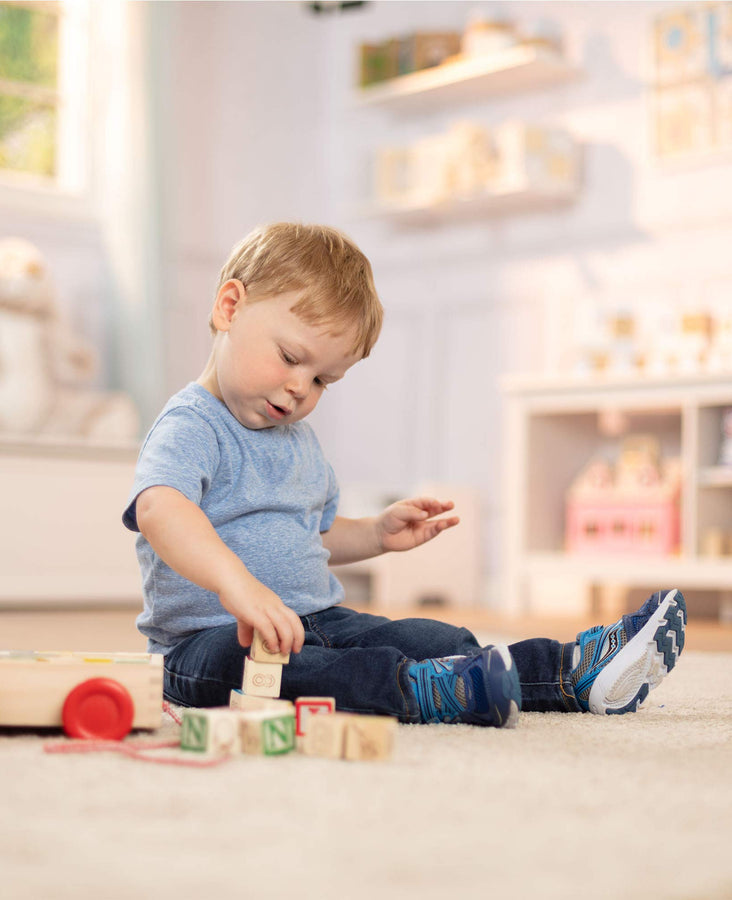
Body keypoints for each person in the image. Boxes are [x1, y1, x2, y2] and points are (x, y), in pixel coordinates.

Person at [122, 222, 686, 728]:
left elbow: (311, 533)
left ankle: (567, 672)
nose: (301, 388)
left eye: (323, 381)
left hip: (320, 619)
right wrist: (236, 585)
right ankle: (426, 692)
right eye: (292, 358)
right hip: (206, 644)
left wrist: (374, 534)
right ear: (229, 307)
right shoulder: (192, 423)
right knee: (275, 668)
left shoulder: (297, 439)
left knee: (431, 638)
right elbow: (161, 509)